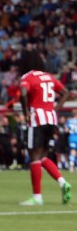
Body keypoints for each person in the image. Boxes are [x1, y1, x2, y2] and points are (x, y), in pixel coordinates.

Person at [17, 52, 72, 206]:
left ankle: (37, 197)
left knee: (34, 157)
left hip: (37, 119)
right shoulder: (49, 77)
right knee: (43, 157)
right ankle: (62, 183)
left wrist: (25, 112)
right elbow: (66, 93)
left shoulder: (27, 77)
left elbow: (22, 93)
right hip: (51, 119)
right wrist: (55, 109)